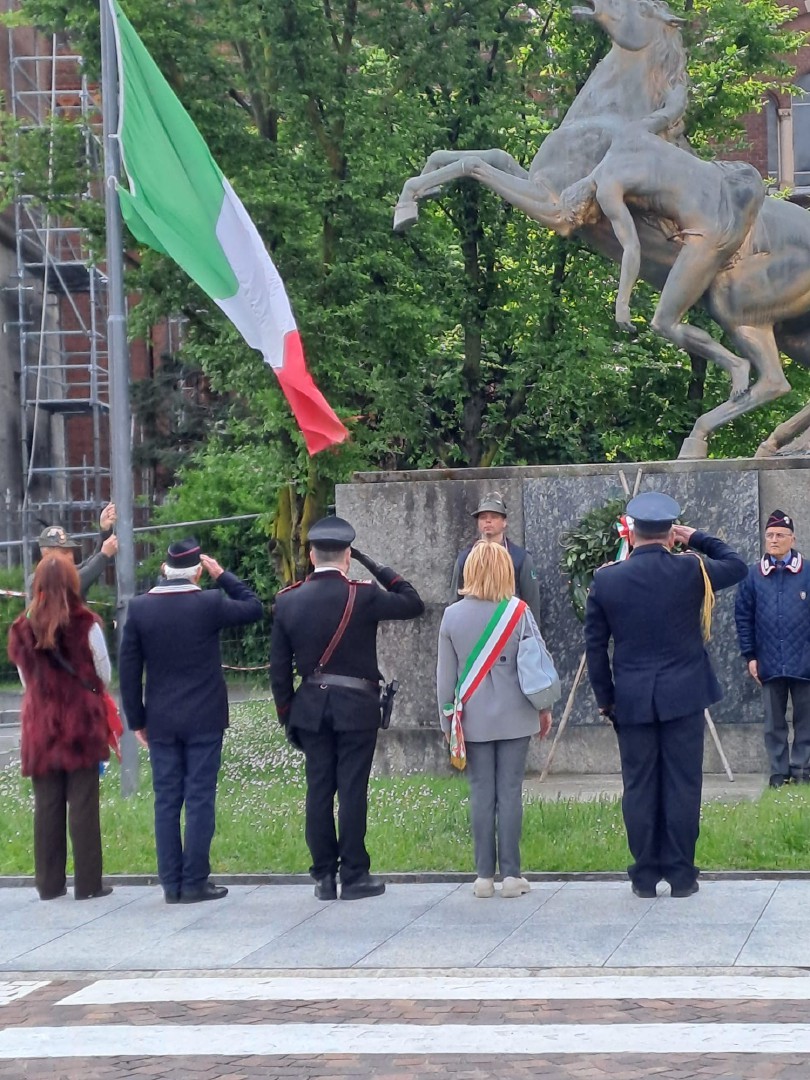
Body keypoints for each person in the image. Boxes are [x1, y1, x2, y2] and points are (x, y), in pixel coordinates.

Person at [584, 492, 747, 899]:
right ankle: (680, 876)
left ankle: (642, 876)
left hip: (633, 699)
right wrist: (697, 538)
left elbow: (595, 647)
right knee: (682, 785)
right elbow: (738, 565)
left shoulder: (607, 579)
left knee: (639, 786)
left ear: (633, 532)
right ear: (671, 532)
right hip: (684, 697)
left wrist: (607, 699)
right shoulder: (692, 570)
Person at [269, 516, 424, 901]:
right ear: (348, 557)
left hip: (311, 711)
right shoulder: (364, 594)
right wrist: (376, 566)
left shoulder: (288, 600)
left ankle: (323, 876)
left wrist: (289, 713)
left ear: (310, 555)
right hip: (357, 708)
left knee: (318, 790)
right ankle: (354, 874)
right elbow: (412, 602)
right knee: (353, 790)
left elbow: (277, 670)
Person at [119, 538, 263, 905]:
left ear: (165, 569)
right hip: (204, 717)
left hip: (161, 719)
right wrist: (224, 575)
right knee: (200, 798)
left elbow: (129, 671)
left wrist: (137, 719)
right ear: (198, 571)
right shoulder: (209, 603)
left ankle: (171, 884)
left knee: (166, 799)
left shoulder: (139, 609)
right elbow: (253, 608)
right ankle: (196, 881)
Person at [437, 541, 553, 899]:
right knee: (510, 794)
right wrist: (544, 708)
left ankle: (483, 876)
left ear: (469, 570)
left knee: (481, 794)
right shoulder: (519, 612)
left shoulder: (451, 616)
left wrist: (448, 725)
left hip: (471, 718)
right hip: (517, 715)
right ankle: (512, 876)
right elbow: (537, 667)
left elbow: (445, 678)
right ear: (506, 571)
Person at [7, 556, 113, 901]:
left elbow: (26, 681)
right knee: (83, 805)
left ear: (36, 585)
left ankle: (49, 885)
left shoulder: (22, 628)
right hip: (82, 724)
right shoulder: (87, 624)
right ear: (73, 583)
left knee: (46, 806)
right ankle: (88, 884)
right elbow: (104, 675)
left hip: (41, 726)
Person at [735, 510, 810, 788]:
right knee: (773, 722)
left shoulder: (808, 572)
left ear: (793, 538)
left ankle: (803, 770)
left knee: (806, 720)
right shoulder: (753, 576)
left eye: (780, 535)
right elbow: (743, 617)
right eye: (770, 535)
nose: (774, 540)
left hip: (805, 660)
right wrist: (750, 655)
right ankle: (779, 773)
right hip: (768, 660)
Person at [450, 492, 542, 625]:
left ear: (504, 522)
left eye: (494, 516)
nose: (488, 521)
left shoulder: (520, 558)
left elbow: (532, 604)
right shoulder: (465, 558)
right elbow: (455, 600)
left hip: (508, 628)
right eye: (483, 517)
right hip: (473, 627)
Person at [37, 502, 119, 599]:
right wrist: (104, 555)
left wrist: (105, 530)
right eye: (64, 552)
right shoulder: (37, 580)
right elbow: (78, 580)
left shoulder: (68, 572)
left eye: (70, 551)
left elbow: (88, 564)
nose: (70, 556)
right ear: (47, 554)